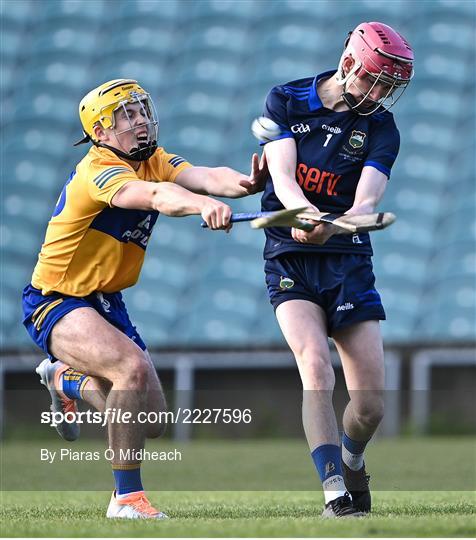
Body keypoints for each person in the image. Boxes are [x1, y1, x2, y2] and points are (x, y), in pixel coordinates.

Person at [22, 79, 268, 519]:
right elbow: (156, 196)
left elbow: (208, 176)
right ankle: (126, 499)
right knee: (129, 369)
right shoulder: (99, 170)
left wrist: (245, 183)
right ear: (101, 132)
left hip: (108, 302)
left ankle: (66, 380)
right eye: (127, 116)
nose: (140, 122)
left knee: (152, 422)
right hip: (56, 300)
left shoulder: (153, 158)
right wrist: (199, 206)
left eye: (141, 111)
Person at [258, 22, 413, 517]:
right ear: (348, 65)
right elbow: (282, 176)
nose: (380, 95)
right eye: (375, 82)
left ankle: (352, 463)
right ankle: (334, 496)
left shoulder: (381, 126)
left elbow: (367, 201)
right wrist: (302, 215)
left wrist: (334, 226)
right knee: (315, 367)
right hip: (289, 255)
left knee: (370, 407)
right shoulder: (286, 99)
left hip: (347, 258)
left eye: (390, 87)